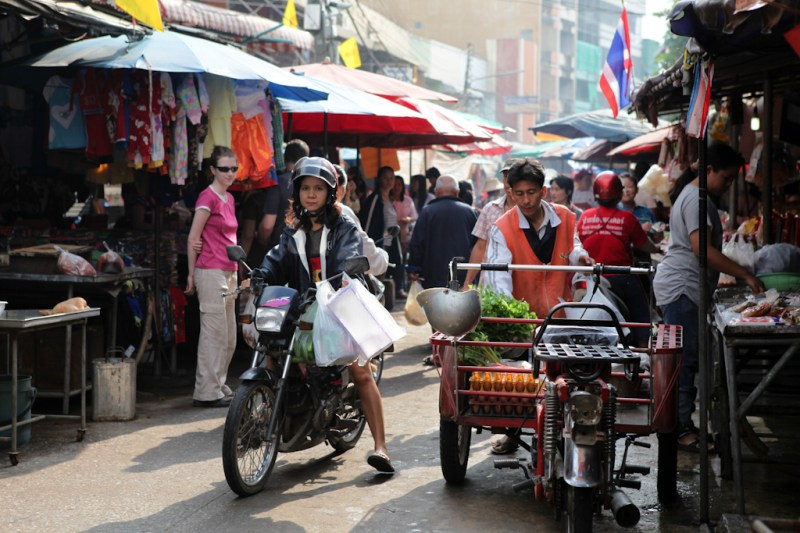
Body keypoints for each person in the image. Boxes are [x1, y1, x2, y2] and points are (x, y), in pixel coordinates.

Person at [250, 156, 394, 473]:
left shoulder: (344, 226)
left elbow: (347, 256)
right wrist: (261, 274)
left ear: (330, 193)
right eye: (305, 188)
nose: (311, 194)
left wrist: (340, 275)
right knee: (273, 348)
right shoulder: (293, 229)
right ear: (298, 192)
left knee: (360, 372)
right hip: (307, 303)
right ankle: (266, 415)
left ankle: (381, 447)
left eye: (318, 188)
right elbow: (277, 259)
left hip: (343, 302)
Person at [653, 143, 765, 454]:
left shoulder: (694, 197)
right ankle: (680, 429)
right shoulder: (697, 200)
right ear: (709, 170)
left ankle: (680, 423)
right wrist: (744, 274)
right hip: (682, 288)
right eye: (726, 178)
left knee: (686, 359)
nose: (728, 185)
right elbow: (701, 250)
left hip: (686, 287)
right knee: (684, 361)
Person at [484, 158, 593, 454]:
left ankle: (569, 428)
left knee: (566, 379)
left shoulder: (566, 217)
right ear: (510, 193)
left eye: (531, 192)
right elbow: (497, 277)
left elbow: (575, 248)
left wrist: (581, 258)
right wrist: (512, 317)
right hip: (523, 321)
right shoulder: (501, 228)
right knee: (522, 381)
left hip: (561, 313)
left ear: (543, 191)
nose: (525, 200)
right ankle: (513, 432)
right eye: (518, 194)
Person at [576, 171, 661, 348]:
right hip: (622, 277)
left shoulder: (585, 216)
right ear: (619, 193)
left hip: (591, 278)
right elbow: (645, 245)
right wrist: (657, 248)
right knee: (642, 314)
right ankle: (643, 345)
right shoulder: (627, 218)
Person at [185, 146, 240, 408]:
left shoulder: (228, 199)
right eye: (224, 169)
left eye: (233, 168)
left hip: (230, 270)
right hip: (210, 271)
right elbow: (193, 238)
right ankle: (206, 392)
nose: (230, 173)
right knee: (213, 334)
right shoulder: (208, 197)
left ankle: (218, 385)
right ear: (213, 170)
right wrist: (190, 273)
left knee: (229, 336)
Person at [407, 175, 478, 290]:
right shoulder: (470, 212)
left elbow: (417, 244)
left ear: (435, 192)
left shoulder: (427, 212)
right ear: (457, 192)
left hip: (433, 280)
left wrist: (414, 268)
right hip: (464, 280)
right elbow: (478, 246)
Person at [462, 157, 520, 289]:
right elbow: (480, 247)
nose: (508, 181)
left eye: (513, 176)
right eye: (505, 176)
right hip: (491, 283)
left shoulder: (530, 210)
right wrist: (468, 283)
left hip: (522, 281)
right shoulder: (490, 208)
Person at [333, 164, 389, 276]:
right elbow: (368, 255)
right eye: (306, 188)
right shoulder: (342, 212)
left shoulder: (298, 216)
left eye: (318, 188)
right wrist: (383, 257)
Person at [360, 166, 405, 299]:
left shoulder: (390, 200)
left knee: (386, 272)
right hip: (378, 242)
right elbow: (367, 223)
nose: (389, 181)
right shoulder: (374, 199)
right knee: (376, 274)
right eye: (385, 178)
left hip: (390, 242)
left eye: (391, 178)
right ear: (379, 179)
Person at [392, 174, 418, 257]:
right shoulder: (387, 201)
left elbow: (415, 216)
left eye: (399, 184)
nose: (396, 187)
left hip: (405, 238)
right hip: (391, 238)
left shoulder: (408, 200)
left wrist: (408, 219)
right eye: (395, 184)